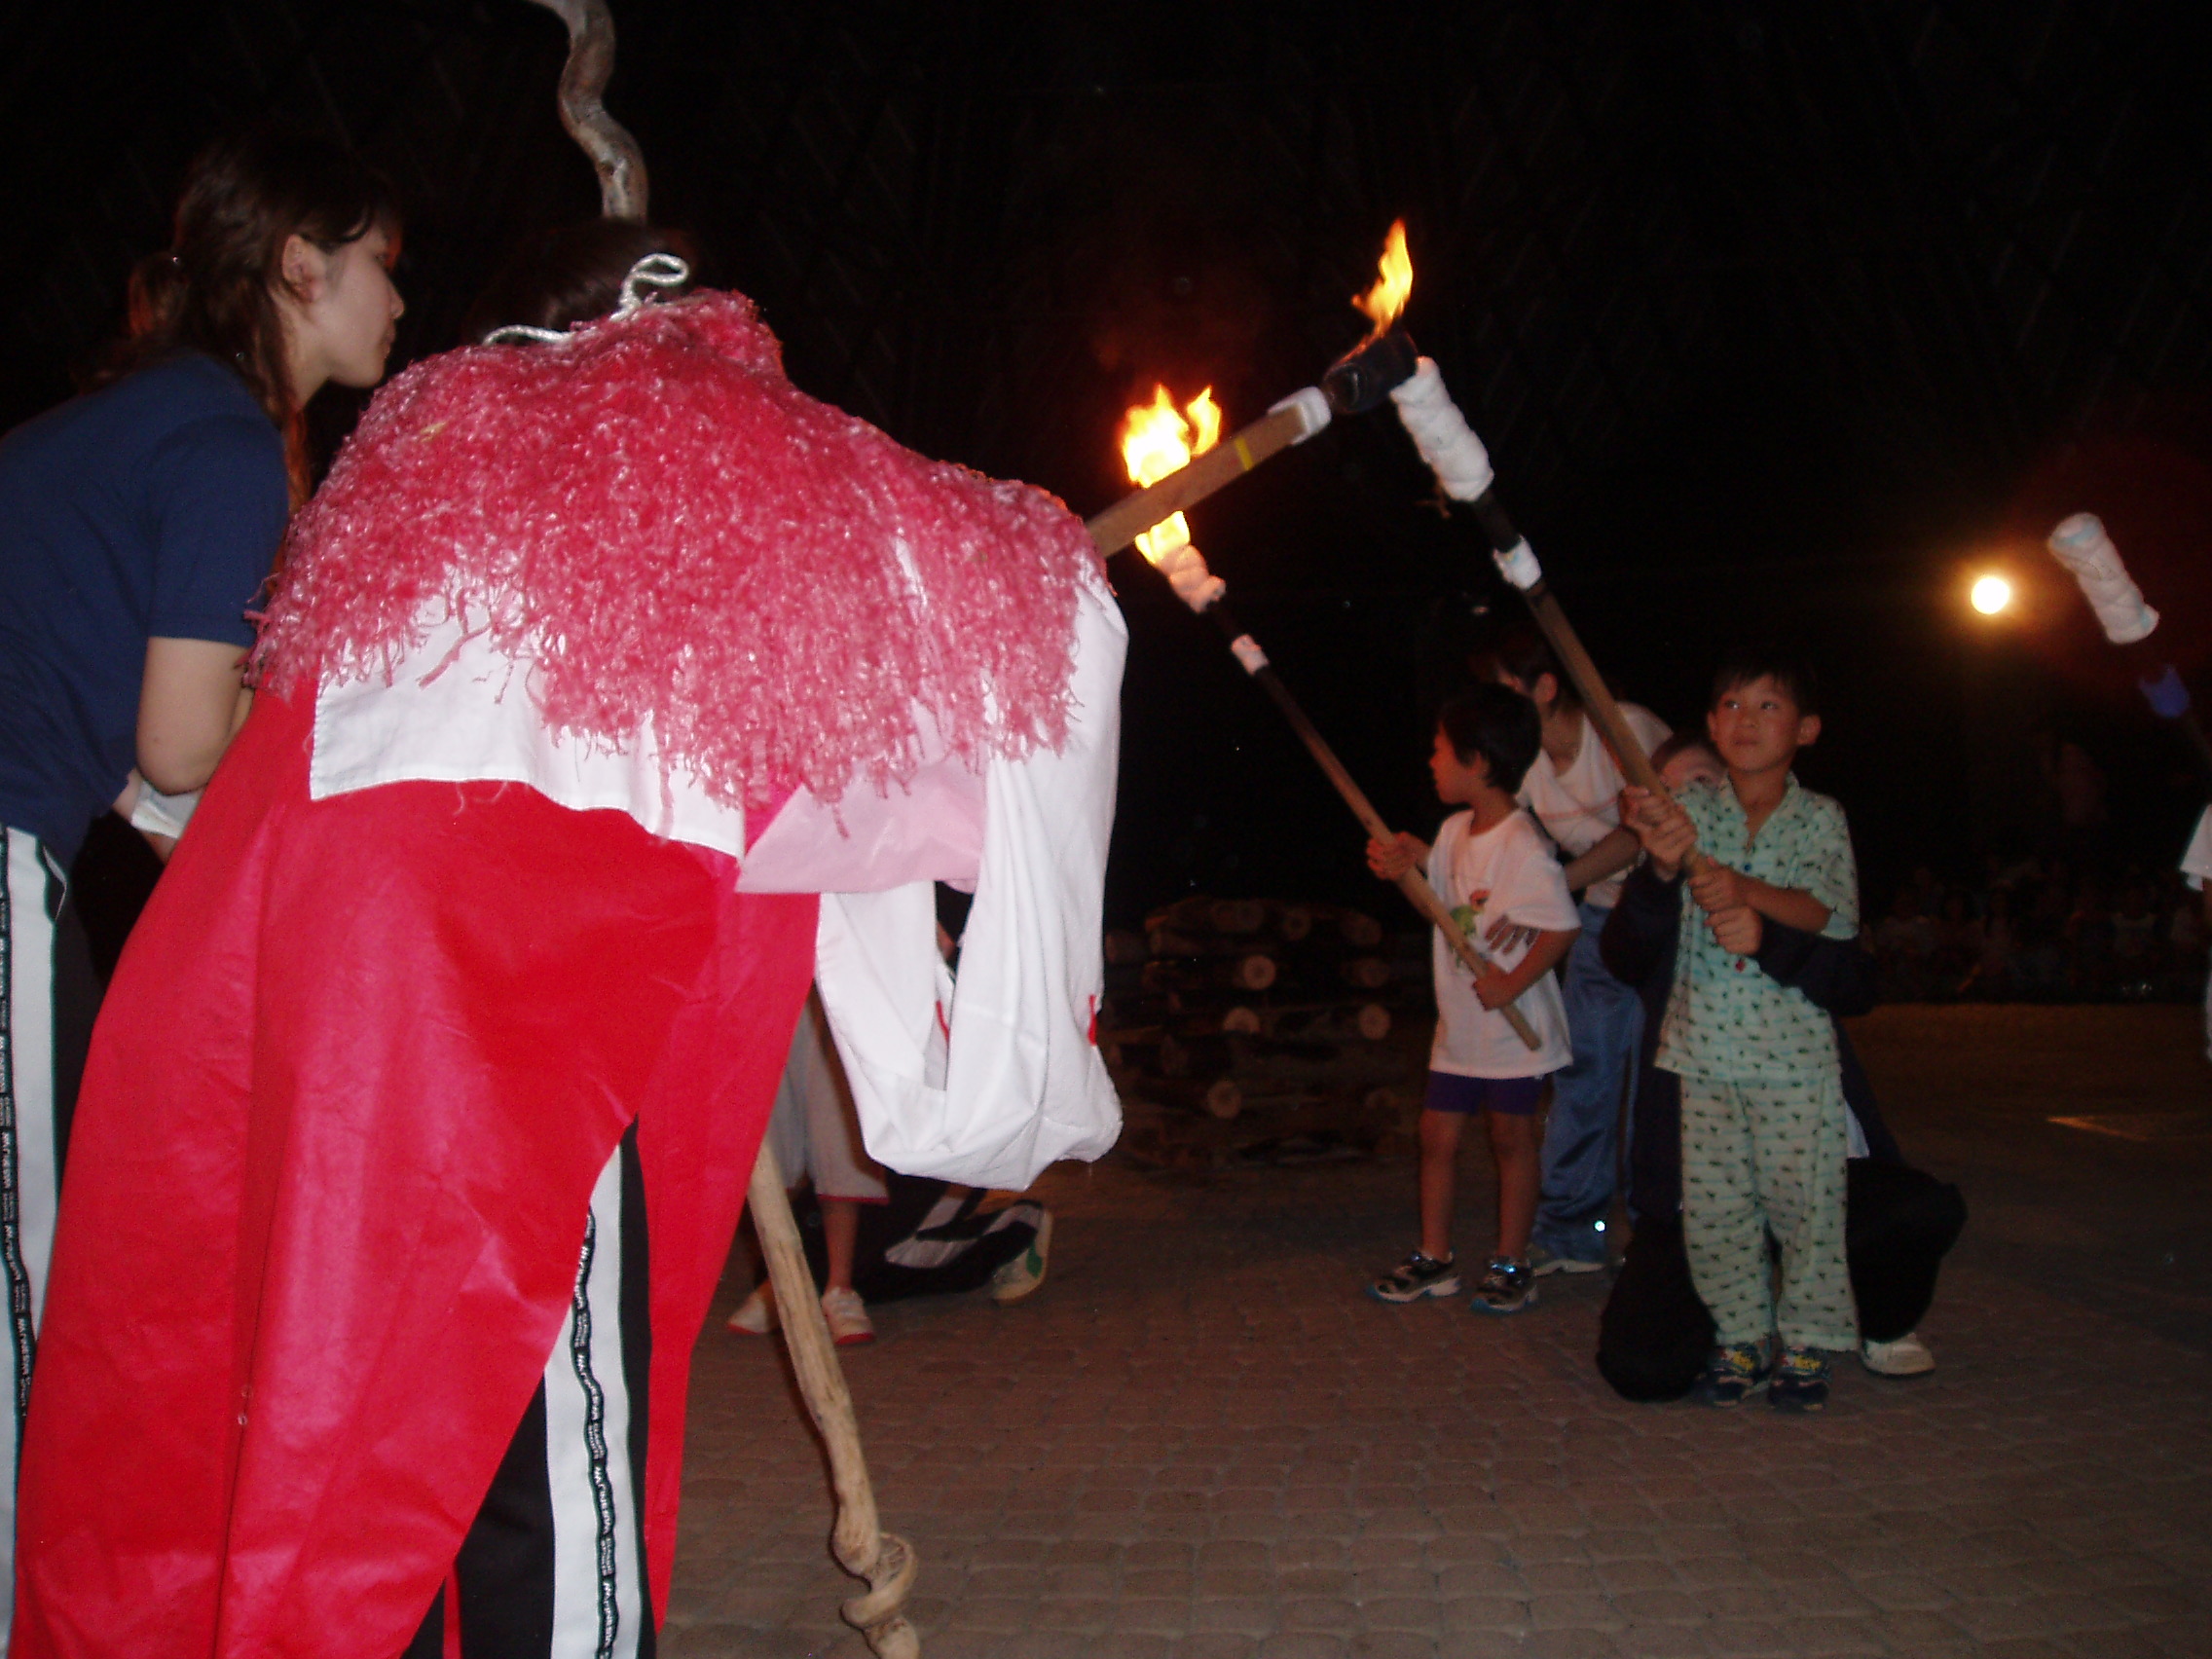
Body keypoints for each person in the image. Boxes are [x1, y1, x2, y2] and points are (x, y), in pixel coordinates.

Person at [14, 235, 1124, 1659]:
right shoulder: (705, 429)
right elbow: (1006, 612)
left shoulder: (412, 471)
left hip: (298, 1015)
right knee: (543, 1402)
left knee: (363, 1408)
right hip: (520, 1022)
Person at [0, 127, 398, 1639]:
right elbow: (182, 739)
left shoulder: (132, 422)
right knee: (28, 1292)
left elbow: (137, 766)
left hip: (35, 818)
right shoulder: (228, 441)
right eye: (379, 267)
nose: (396, 302)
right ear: (299, 266)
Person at [1599, 734, 1960, 1402]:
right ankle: (1744, 1325)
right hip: (1702, 1181)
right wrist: (1658, 874)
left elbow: (1856, 982)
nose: (1688, 803)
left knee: (1917, 1210)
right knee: (1642, 1365)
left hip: (1809, 1159)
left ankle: (1874, 1321)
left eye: (1703, 785)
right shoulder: (1663, 895)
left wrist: (1768, 938)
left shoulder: (1799, 871)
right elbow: (1623, 954)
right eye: (1671, 793)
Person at [1621, 645, 1861, 1411]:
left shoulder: (1821, 818)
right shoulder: (1694, 814)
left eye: (1767, 705)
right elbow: (1643, 889)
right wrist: (1653, 845)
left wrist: (1745, 892)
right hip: (1704, 1051)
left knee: (1805, 1206)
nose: (1745, 720)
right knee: (1718, 1210)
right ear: (1710, 724)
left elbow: (1827, 912)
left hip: (1792, 1059)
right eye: (1730, 705)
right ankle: (1742, 1335)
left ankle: (1810, 1338)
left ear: (1807, 729)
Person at [1366, 685, 1580, 1314]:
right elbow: (1442, 910)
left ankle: (1512, 1262)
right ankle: (1434, 1257)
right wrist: (1405, 866)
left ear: (1477, 761)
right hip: (1460, 1030)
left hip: (1513, 1033)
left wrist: (1513, 983)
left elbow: (1562, 926)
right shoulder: (1455, 831)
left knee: (1512, 1139)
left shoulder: (1522, 842)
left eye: (1440, 749)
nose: (1431, 761)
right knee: (1436, 1136)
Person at [1481, 628, 1669, 1274]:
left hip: (1668, 923)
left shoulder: (1624, 731)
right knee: (1583, 1070)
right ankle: (1571, 1231)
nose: (1496, 703)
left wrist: (1554, 886)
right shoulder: (1529, 761)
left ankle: (1657, 1231)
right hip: (1599, 921)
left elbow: (1641, 835)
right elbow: (1514, 838)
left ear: (1544, 687)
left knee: (1655, 1081)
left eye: (1505, 688)